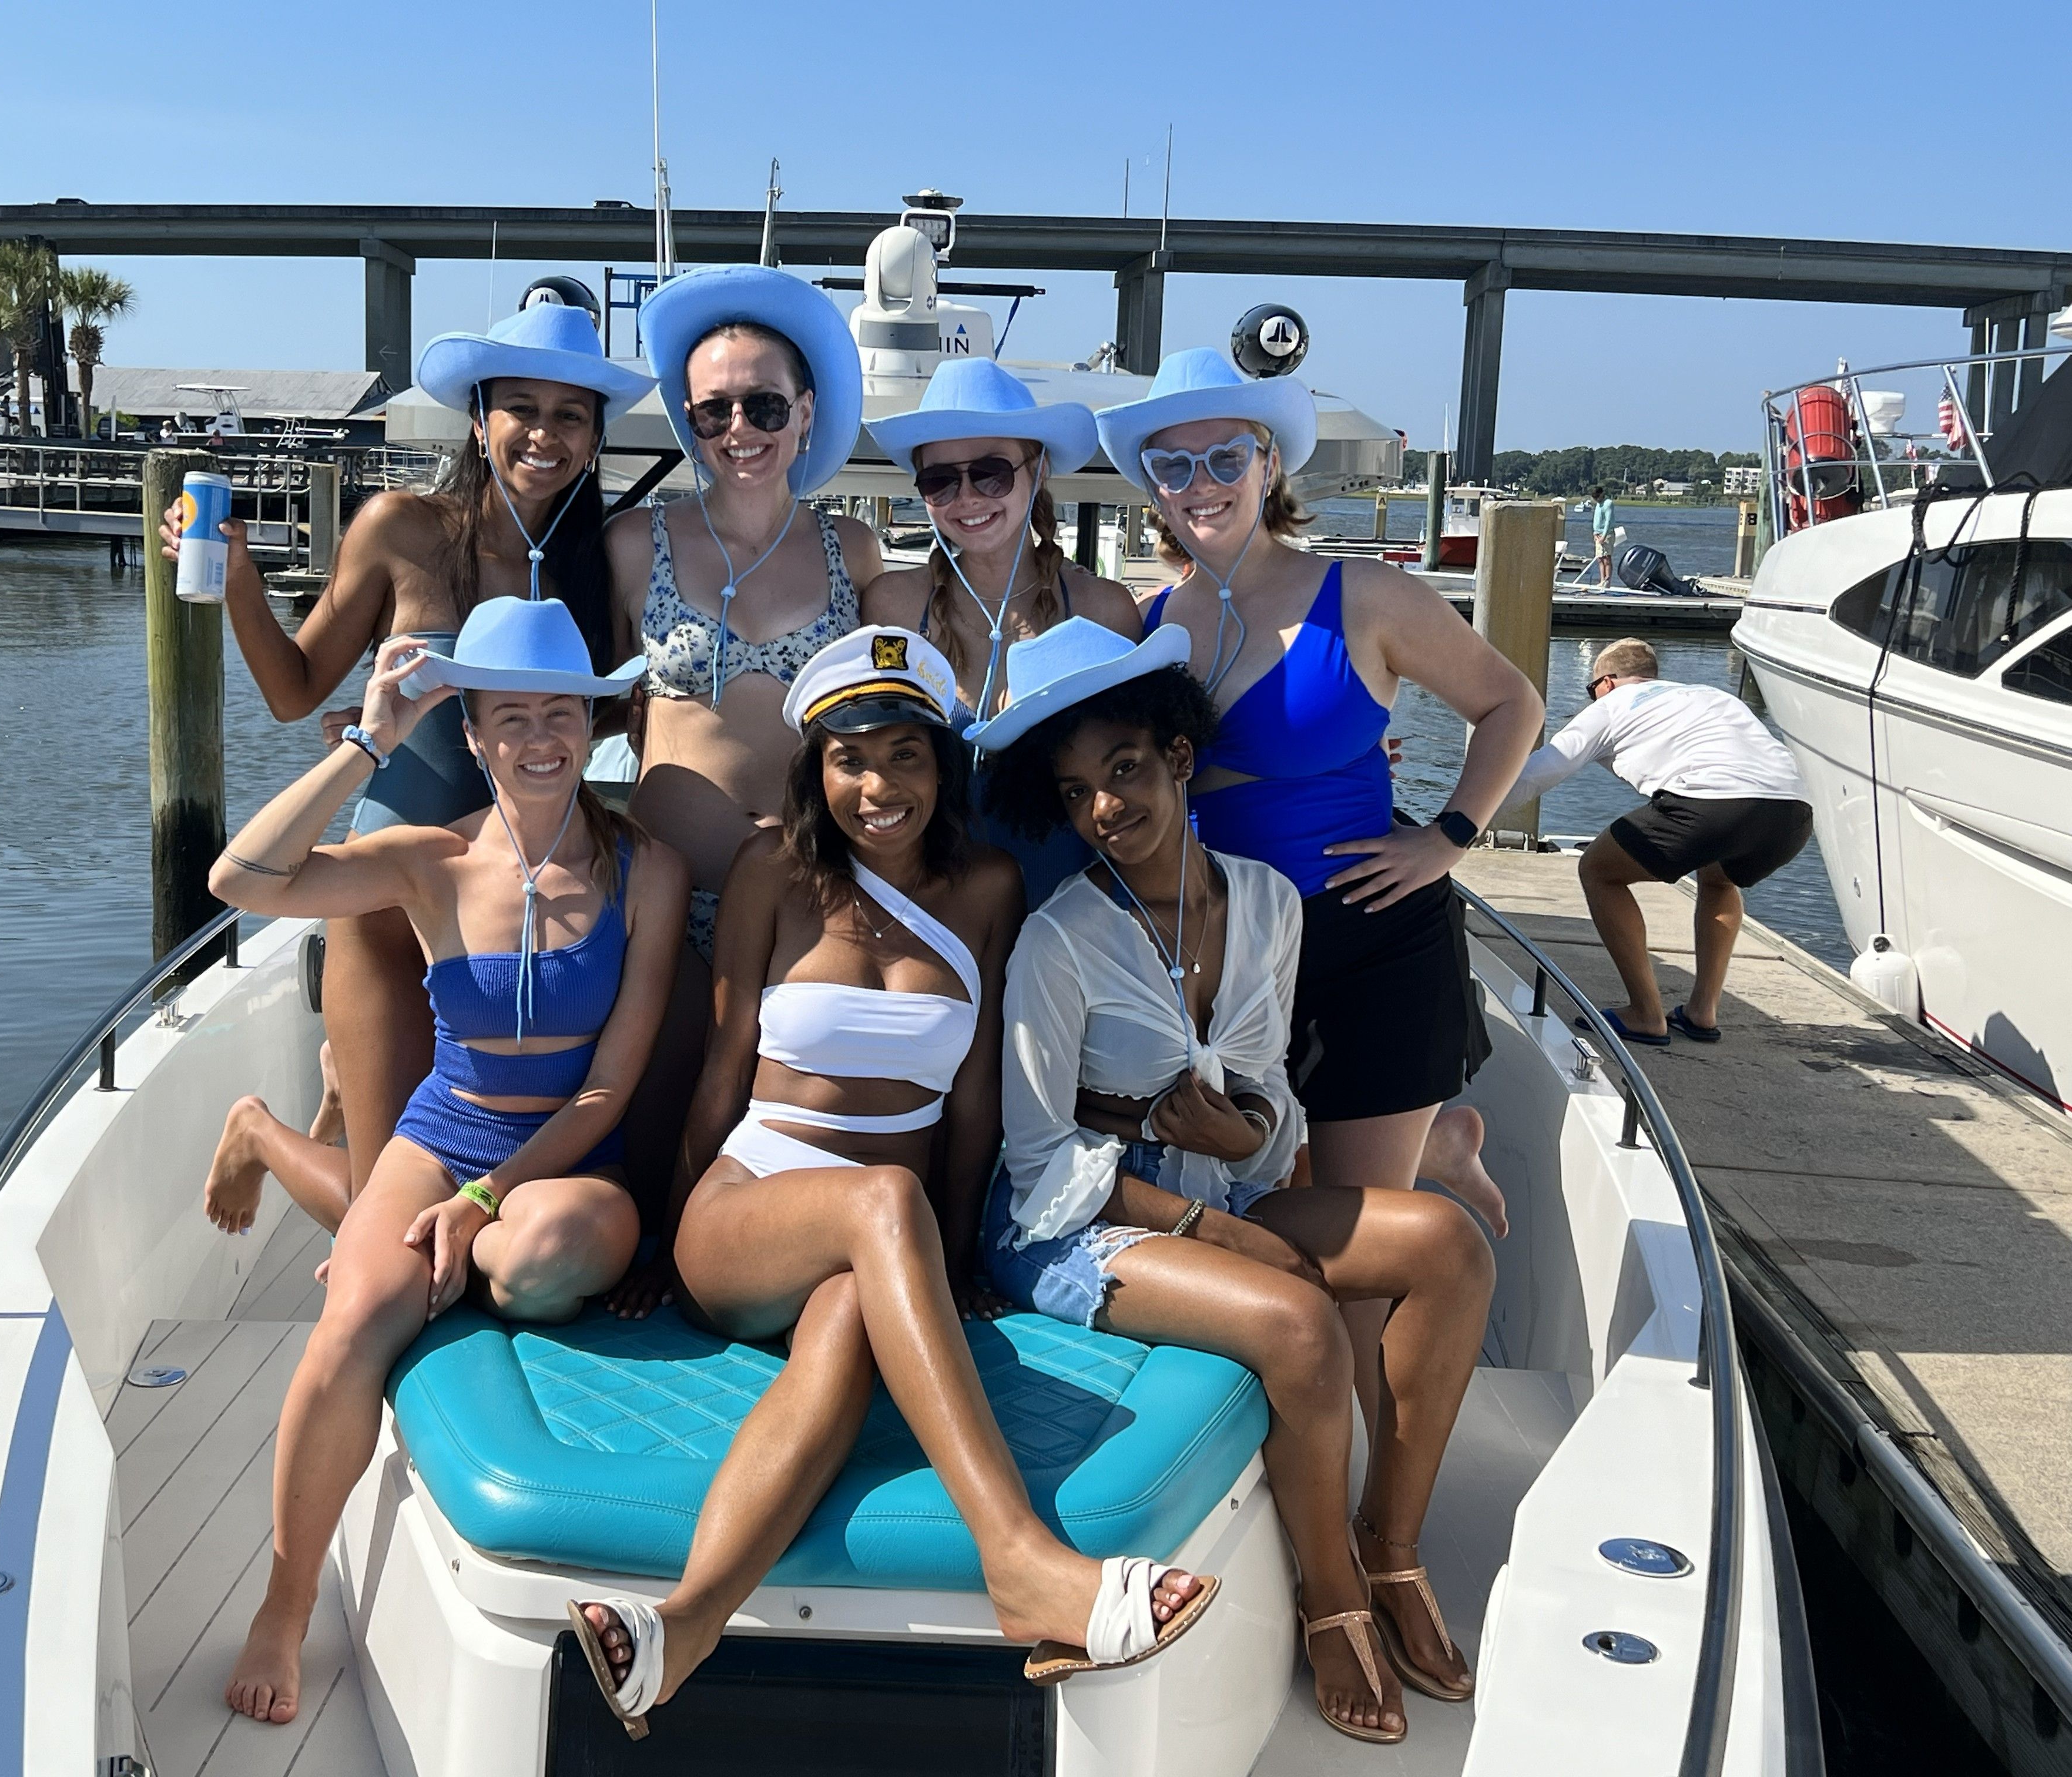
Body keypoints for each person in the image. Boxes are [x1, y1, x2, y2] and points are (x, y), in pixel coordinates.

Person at [579, 627, 1215, 1738]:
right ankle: (1020, 1557)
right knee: (881, 1198)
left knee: (844, 1325)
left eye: (906, 755)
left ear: (943, 763)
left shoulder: (987, 886)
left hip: (883, 1243)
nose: (878, 786)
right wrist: (658, 1245)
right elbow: (722, 1067)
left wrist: (957, 1256)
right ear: (816, 769)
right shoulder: (773, 872)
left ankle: (681, 1625)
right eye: (851, 758)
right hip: (744, 1210)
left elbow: (973, 1099)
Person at [970, 618, 1494, 1745]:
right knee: (1303, 1326)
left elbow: (1264, 1115)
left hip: (1214, 1188)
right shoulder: (1058, 940)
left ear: (1178, 757)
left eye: (1122, 770)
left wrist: (1240, 1126)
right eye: (1074, 793)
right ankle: (1329, 1592)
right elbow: (1035, 1157)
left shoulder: (1267, 903)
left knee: (1448, 1246)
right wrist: (1201, 1210)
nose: (1105, 808)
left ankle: (1390, 1544)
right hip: (1076, 1223)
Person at [206, 601, 688, 1725]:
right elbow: (242, 879)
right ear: (469, 732)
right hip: (439, 1134)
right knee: (357, 1313)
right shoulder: (428, 859)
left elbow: (608, 1084)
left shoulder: (646, 868)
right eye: (508, 716)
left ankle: (432, 1237)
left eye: (559, 713)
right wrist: (371, 738)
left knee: (540, 1257)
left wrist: (486, 1199)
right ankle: (284, 1597)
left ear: (594, 722)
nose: (537, 737)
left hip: (566, 1160)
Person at [1095, 350, 1534, 1432]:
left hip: (1370, 934)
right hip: (1233, 953)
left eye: (1224, 454)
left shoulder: (1366, 595)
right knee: (1272, 1192)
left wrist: (1447, 834)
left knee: (1354, 1247)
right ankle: (1436, 1142)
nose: (1199, 479)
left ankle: (1349, 1484)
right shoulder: (1147, 623)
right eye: (1171, 462)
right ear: (1150, 484)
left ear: (1268, 461)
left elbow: (1509, 702)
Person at [175, 302, 655, 1235]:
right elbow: (294, 689)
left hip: (520, 908)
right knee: (373, 1207)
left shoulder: (602, 568)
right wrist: (238, 588)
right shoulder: (400, 528)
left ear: (596, 439)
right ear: (480, 420)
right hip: (388, 892)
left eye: (571, 415)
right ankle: (261, 1132)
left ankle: (344, 1102)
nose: (545, 434)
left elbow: (621, 713)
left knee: (496, 1182)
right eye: (523, 408)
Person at [606, 264, 885, 1193]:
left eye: (764, 408)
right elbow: (570, 695)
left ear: (806, 412)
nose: (739, 432)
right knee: (655, 1126)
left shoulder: (856, 550)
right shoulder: (629, 544)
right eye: (713, 412)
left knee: (781, 1131)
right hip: (660, 899)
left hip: (806, 900)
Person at [864, 357, 1145, 906]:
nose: (967, 498)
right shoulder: (890, 607)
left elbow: (1142, 777)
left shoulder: (1104, 610)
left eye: (991, 472)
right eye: (940, 480)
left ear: (1037, 470)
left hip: (1071, 916)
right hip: (930, 915)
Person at [1504, 636, 1812, 1045]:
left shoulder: (1613, 705)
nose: (1592, 698)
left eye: (1591, 690)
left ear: (1608, 683)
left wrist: (1455, 821)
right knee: (1719, 878)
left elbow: (1537, 773)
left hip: (1713, 802)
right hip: (1792, 812)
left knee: (1598, 870)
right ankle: (1702, 1012)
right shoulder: (1708, 696)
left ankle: (1646, 1014)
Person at [1584, 485, 1616, 586]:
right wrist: (1595, 533)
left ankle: (1608, 581)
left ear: (1602, 494)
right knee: (1600, 558)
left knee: (1607, 558)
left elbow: (1608, 521)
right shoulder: (1598, 504)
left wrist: (1604, 536)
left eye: (1597, 497)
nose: (1596, 499)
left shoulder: (1608, 503)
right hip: (1597, 534)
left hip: (1606, 535)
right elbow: (1596, 519)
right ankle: (1602, 580)